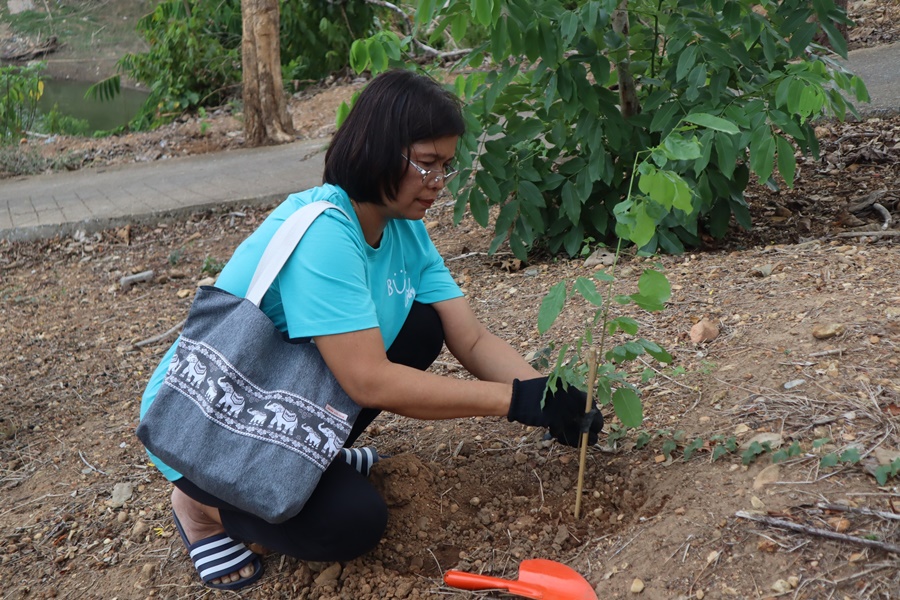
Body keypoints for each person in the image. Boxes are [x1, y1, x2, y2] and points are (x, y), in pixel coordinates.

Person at [138, 69, 603, 590]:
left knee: (422, 326)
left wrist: (548, 395)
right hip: (206, 426)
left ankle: (312, 459)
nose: (439, 182)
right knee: (351, 523)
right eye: (426, 163)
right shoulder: (325, 232)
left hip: (276, 402)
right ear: (378, 150)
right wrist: (513, 401)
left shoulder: (405, 230)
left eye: (446, 166)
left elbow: (470, 338)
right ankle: (201, 509)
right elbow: (368, 381)